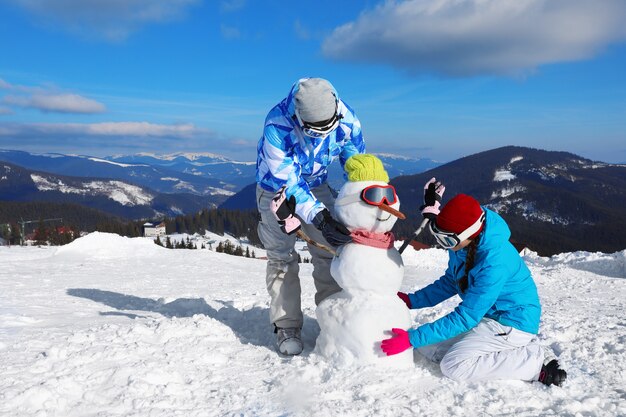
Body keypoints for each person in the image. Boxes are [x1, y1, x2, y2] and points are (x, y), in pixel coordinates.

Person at [381, 185, 567, 386]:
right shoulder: (462, 241)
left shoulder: (494, 263)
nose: (444, 245)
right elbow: (452, 281)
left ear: (466, 235)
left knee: (454, 365)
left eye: (447, 240)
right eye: (440, 237)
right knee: (429, 348)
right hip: (487, 316)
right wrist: (412, 300)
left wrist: (412, 338)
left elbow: (466, 317)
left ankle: (533, 362)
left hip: (512, 322)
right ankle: (502, 349)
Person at [256, 77, 365, 355]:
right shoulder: (277, 125)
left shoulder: (346, 118)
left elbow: (355, 160)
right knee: (282, 257)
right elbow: (287, 180)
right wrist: (318, 216)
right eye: (315, 130)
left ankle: (332, 318)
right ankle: (287, 325)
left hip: (317, 184)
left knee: (330, 250)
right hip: (276, 189)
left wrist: (363, 195)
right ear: (299, 117)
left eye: (327, 128)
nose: (322, 134)